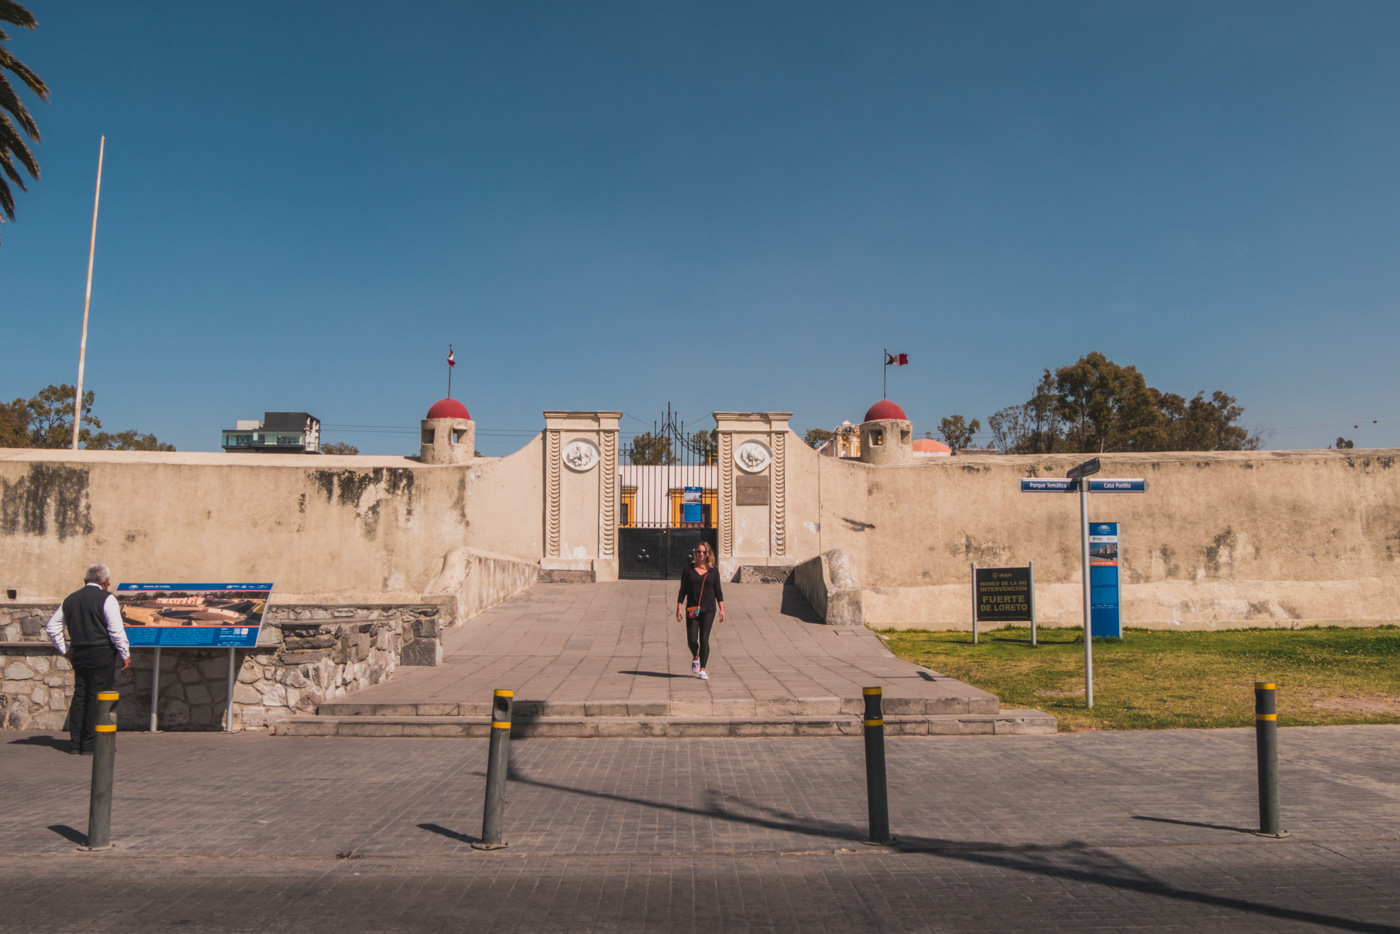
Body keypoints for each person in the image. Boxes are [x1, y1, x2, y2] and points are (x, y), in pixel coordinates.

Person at [44, 563, 131, 754]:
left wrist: (64, 649)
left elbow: (52, 627)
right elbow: (115, 630)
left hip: (79, 652)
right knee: (96, 696)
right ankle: (91, 743)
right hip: (102, 652)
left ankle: (76, 743)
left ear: (85, 580)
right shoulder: (107, 599)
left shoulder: (70, 599)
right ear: (105, 582)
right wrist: (125, 653)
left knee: (80, 695)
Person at [676, 542, 725, 680]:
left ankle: (703, 669)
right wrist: (679, 608)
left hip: (709, 608)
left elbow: (718, 591)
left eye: (704, 552)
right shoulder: (688, 569)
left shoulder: (713, 570)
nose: (701, 554)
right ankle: (695, 656)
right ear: (695, 553)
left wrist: (722, 609)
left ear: (708, 554)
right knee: (691, 639)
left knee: (704, 638)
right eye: (698, 552)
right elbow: (682, 590)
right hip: (692, 608)